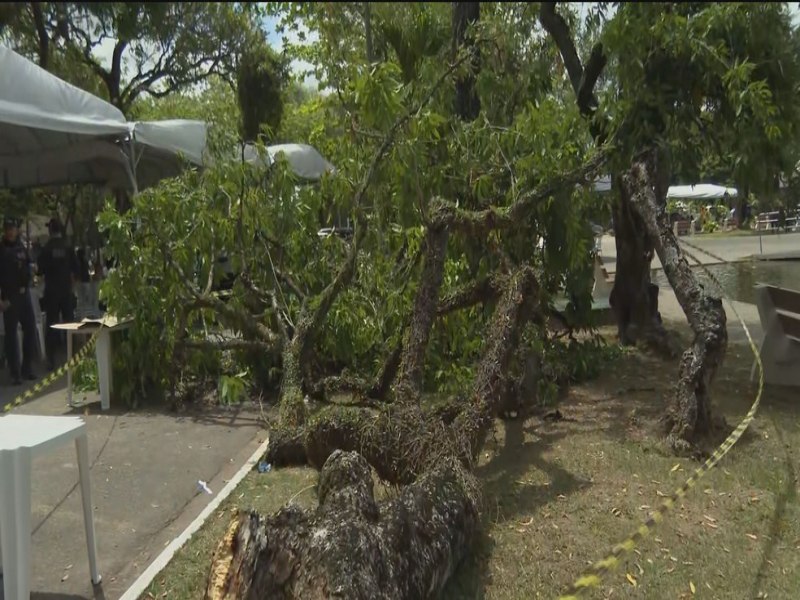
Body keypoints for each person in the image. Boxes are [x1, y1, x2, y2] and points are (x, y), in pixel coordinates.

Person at [0, 216, 38, 384]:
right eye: (8, 228)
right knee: (11, 336)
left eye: (12, 228)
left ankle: (26, 368)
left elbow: (30, 264)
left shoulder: (20, 246)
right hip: (9, 297)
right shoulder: (1, 249)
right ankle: (15, 373)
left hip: (24, 295)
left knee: (30, 330)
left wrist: (32, 271)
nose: (10, 231)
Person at [38, 219, 79, 370]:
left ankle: (51, 359)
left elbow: (40, 270)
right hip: (66, 291)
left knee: (51, 324)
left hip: (51, 292)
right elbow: (76, 269)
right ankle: (73, 355)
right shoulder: (68, 247)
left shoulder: (46, 248)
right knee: (70, 322)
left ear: (50, 231)